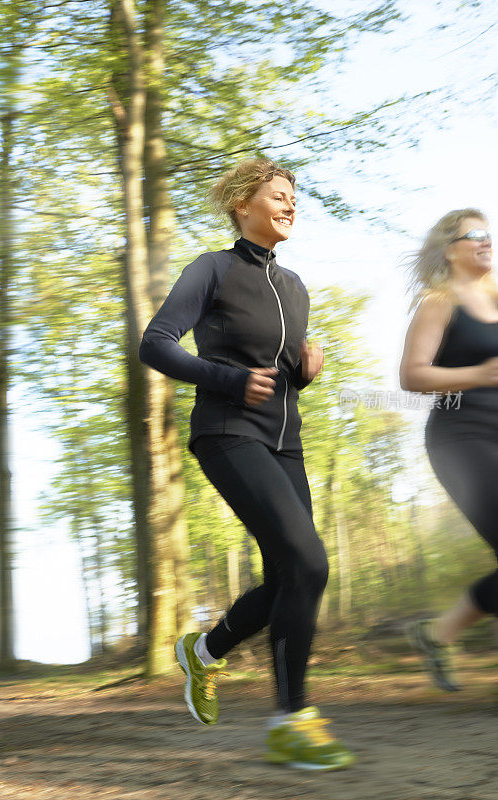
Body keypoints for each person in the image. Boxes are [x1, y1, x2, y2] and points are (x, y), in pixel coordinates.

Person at [139, 157, 354, 770]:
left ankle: (203, 652)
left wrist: (304, 376)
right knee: (308, 559)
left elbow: (278, 378)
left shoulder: (295, 287)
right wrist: (228, 381)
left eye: (294, 197)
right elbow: (156, 343)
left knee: (298, 573)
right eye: (279, 195)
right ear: (243, 206)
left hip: (286, 442)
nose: (291, 205)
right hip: (228, 433)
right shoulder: (211, 269)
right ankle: (292, 721)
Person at [399, 208, 497, 691]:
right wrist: (477, 375)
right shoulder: (439, 303)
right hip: (462, 439)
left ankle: (437, 635)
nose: (485, 241)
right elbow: (413, 375)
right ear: (449, 249)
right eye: (473, 234)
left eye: (488, 233)